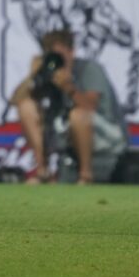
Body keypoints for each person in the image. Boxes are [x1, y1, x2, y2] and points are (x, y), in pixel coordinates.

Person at [11, 28, 127, 185]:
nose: (56, 60)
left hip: (105, 134)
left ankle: (85, 176)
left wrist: (68, 88)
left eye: (60, 54)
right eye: (50, 55)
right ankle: (43, 172)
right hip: (67, 130)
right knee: (26, 106)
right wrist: (33, 76)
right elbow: (15, 100)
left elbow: (90, 107)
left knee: (78, 114)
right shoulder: (48, 73)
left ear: (72, 52)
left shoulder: (89, 69)